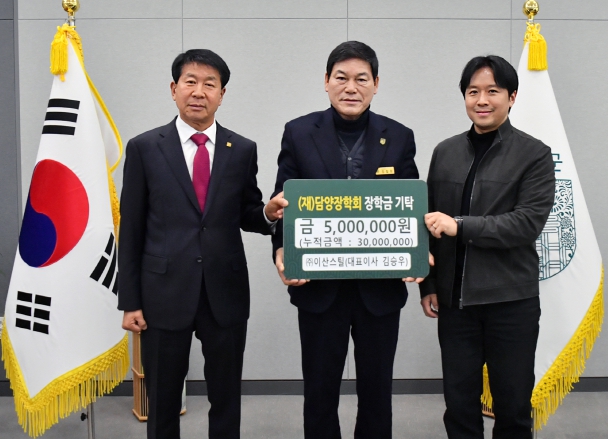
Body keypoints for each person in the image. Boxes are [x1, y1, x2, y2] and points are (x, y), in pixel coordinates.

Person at [118, 49, 286, 439]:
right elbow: (132, 229)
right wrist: (131, 301)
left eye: (210, 84)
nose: (199, 92)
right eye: (190, 82)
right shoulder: (144, 148)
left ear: (222, 94)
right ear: (174, 89)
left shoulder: (241, 149)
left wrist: (267, 213)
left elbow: (246, 212)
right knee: (162, 402)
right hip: (162, 294)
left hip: (224, 293)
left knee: (226, 399)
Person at [271, 41, 419, 439]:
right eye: (341, 77)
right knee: (319, 392)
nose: (351, 87)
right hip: (319, 289)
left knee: (377, 393)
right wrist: (281, 250)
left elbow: (410, 207)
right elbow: (284, 202)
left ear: (376, 84)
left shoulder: (399, 136)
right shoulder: (299, 132)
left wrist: (415, 253)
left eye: (361, 79)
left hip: (379, 291)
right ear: (326, 81)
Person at [419, 55, 555, 439]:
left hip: (510, 302)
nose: (482, 100)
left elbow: (525, 224)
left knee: (513, 407)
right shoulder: (445, 151)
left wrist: (460, 225)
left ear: (512, 97)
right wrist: (428, 284)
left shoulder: (535, 154)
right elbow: (428, 222)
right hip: (455, 304)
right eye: (473, 91)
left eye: (492, 91)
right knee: (459, 406)